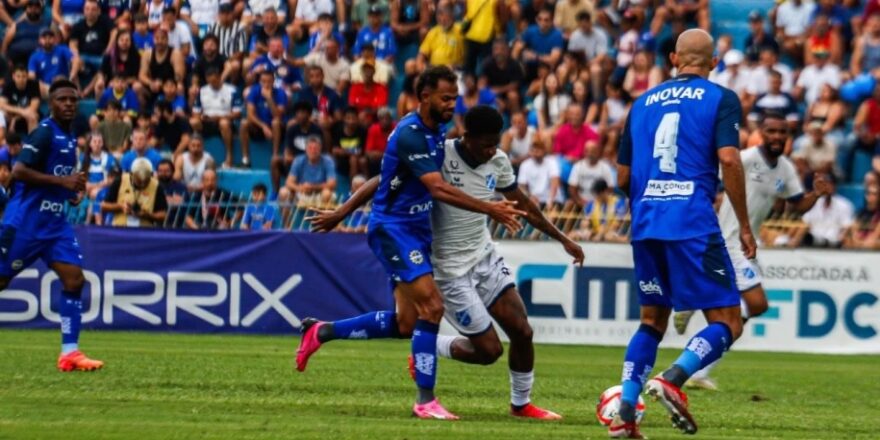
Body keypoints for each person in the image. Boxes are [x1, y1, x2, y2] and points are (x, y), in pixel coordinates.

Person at [309, 105, 584, 420]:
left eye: (496, 142)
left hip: (484, 257)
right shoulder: (441, 154)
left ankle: (521, 405)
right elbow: (383, 180)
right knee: (489, 352)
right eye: (486, 143)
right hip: (448, 270)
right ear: (466, 137)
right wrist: (342, 212)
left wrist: (562, 238)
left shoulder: (499, 161)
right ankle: (429, 345)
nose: (492, 149)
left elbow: (524, 204)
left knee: (522, 330)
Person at [293, 66, 524, 420]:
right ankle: (425, 400)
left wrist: (342, 211)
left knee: (406, 324)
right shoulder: (411, 134)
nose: (452, 104)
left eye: (455, 98)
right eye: (446, 98)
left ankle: (320, 331)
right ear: (425, 96)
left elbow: (383, 177)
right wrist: (490, 207)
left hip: (416, 229)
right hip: (394, 229)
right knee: (433, 308)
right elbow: (438, 188)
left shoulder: (437, 130)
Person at [610, 29, 757, 438]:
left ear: (674, 59)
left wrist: (646, 200)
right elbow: (729, 159)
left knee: (651, 321)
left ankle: (625, 411)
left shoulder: (640, 103)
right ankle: (672, 378)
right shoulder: (720, 98)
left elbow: (623, 174)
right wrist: (743, 223)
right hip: (691, 220)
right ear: (712, 62)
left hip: (646, 221)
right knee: (729, 320)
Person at [673, 113, 832, 390]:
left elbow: (796, 205)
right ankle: (692, 301)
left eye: (782, 132)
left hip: (747, 245)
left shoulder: (785, 168)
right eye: (771, 131)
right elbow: (711, 182)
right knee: (756, 304)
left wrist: (815, 194)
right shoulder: (744, 159)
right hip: (729, 241)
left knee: (738, 315)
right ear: (761, 132)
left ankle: (698, 363)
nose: (777, 137)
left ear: (787, 137)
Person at [0, 79, 101, 371]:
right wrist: (63, 182)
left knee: (74, 279)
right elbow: (18, 171)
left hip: (55, 225)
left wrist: (69, 193)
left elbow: (58, 180)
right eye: (62, 100)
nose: (68, 104)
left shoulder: (70, 139)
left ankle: (70, 353)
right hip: (26, 223)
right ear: (51, 104)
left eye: (73, 99)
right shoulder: (44, 133)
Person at [192, 67, 242, 168]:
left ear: (219, 78)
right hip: (207, 121)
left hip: (225, 120)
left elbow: (237, 113)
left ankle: (229, 156)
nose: (212, 84)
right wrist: (201, 117)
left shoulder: (232, 90)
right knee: (194, 122)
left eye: (214, 81)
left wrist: (218, 117)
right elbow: (196, 111)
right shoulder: (202, 91)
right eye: (210, 82)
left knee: (224, 123)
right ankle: (197, 154)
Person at [100, 157, 168, 227]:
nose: (142, 184)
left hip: (145, 229)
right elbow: (104, 206)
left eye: (146, 181)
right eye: (139, 181)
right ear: (132, 174)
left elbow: (163, 214)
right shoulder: (120, 181)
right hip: (121, 227)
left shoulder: (157, 186)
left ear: (151, 175)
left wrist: (148, 215)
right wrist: (121, 206)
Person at [29, 28, 81, 99]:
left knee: (67, 77)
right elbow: (31, 76)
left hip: (64, 83)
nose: (47, 40)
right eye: (44, 38)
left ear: (54, 39)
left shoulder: (62, 49)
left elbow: (76, 60)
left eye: (50, 38)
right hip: (46, 88)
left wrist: (71, 76)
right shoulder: (34, 56)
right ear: (40, 40)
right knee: (35, 85)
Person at [568, 140, 614, 208]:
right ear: (584, 152)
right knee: (568, 204)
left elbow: (610, 188)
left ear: (598, 152)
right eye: (587, 151)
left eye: (593, 151)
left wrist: (599, 202)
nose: (590, 154)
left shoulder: (605, 167)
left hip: (600, 202)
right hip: (581, 201)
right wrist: (581, 202)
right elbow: (572, 188)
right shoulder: (577, 166)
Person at [1, 64, 41, 134]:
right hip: (13, 113)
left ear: (27, 76)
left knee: (32, 115)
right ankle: (3, 140)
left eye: (24, 76)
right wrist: (21, 111)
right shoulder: (8, 85)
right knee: (1, 113)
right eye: (18, 76)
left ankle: (32, 143)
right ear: (13, 76)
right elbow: (2, 105)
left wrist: (15, 119)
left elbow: (33, 108)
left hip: (26, 115)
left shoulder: (34, 85)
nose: (21, 79)